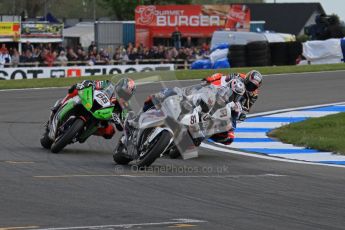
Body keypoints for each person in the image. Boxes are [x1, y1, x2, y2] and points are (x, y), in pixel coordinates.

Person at [52, 78, 136, 139]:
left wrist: (118, 121)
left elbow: (122, 124)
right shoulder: (108, 84)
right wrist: (84, 84)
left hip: (103, 118)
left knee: (110, 132)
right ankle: (59, 105)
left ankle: (82, 134)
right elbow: (94, 83)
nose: (123, 96)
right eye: (123, 92)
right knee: (74, 90)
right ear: (118, 87)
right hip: (92, 102)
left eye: (126, 95)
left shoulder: (125, 106)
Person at [203, 70, 263, 145]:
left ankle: (214, 134)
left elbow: (247, 107)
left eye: (253, 86)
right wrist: (212, 79)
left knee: (229, 138)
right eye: (250, 84)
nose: (250, 87)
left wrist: (243, 113)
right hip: (225, 93)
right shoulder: (238, 76)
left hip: (236, 102)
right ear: (247, 79)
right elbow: (221, 76)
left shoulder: (254, 95)